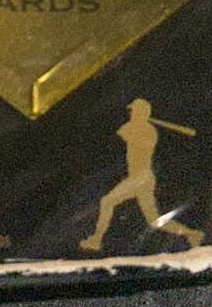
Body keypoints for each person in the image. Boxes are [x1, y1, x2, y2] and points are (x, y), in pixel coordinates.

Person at [79, 98, 204, 252]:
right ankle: (192, 234)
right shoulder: (141, 128)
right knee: (153, 220)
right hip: (142, 177)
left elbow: (117, 135)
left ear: (140, 113)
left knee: (107, 201)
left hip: (140, 177)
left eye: (134, 111)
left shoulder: (144, 130)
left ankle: (96, 240)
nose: (131, 113)